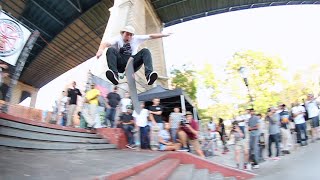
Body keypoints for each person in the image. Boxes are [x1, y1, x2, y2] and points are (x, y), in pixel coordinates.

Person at [96, 25, 171, 85]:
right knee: (111, 49)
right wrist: (100, 50)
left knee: (145, 51)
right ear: (122, 33)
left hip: (132, 63)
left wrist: (164, 35)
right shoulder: (117, 39)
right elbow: (105, 44)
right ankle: (114, 75)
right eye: (126, 34)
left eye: (130, 35)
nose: (128, 37)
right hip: (120, 64)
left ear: (133, 35)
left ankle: (149, 75)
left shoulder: (136, 38)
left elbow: (151, 36)